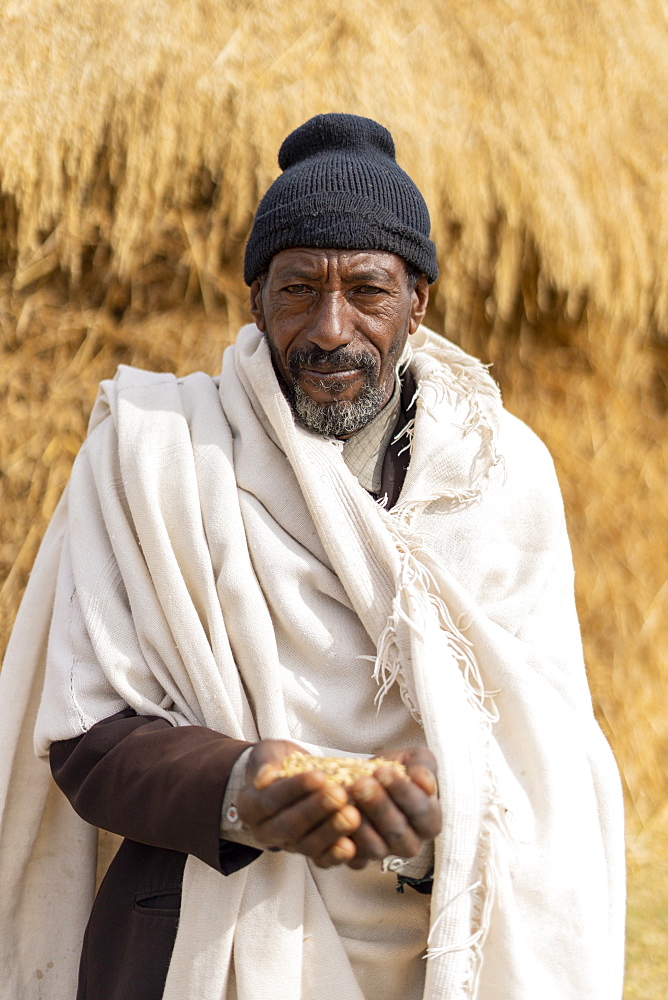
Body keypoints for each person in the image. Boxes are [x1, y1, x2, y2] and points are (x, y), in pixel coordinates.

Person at [0, 114, 624, 1000]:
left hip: (436, 954)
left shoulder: (505, 476)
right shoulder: (157, 456)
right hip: (203, 945)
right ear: (254, 301)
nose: (331, 329)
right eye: (298, 291)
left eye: (366, 290)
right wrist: (241, 787)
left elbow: (549, 747)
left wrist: (442, 804)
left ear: (420, 302)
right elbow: (88, 739)